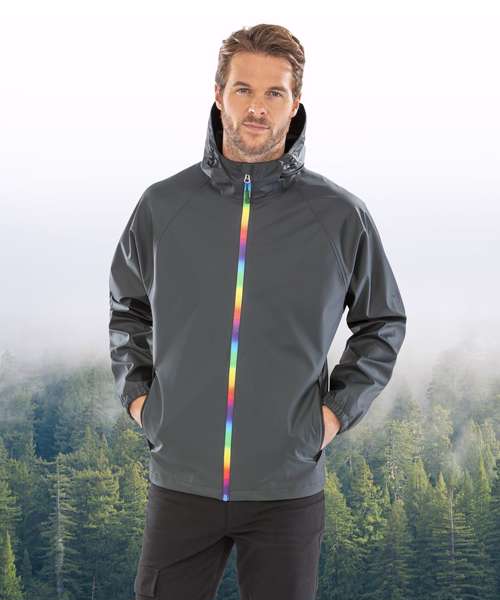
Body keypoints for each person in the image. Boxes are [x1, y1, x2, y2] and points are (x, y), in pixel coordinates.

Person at [108, 23, 407, 600]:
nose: (257, 108)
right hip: (182, 483)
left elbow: (382, 323)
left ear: (295, 105)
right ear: (219, 95)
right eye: (243, 89)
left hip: (286, 491)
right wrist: (143, 401)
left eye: (275, 93)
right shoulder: (163, 206)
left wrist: (332, 416)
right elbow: (127, 308)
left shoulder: (339, 215)